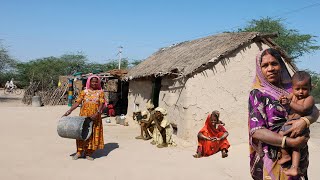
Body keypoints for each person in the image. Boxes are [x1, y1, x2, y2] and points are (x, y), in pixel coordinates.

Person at [248, 48, 319, 179]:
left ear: (281, 65)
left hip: (299, 155)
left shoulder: (293, 88)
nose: (270, 68)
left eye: (274, 63)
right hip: (275, 155)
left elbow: (313, 110)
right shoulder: (257, 94)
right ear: (259, 69)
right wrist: (289, 142)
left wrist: (304, 121)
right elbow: (256, 130)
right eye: (265, 65)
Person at [277, 71, 315, 176]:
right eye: (297, 89)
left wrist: (290, 103)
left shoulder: (309, 99)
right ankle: (291, 163)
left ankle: (289, 161)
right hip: (290, 123)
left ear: (310, 88)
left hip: (300, 126)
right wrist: (283, 100)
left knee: (291, 143)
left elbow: (304, 109)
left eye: (305, 88)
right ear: (293, 88)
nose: (301, 92)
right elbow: (285, 101)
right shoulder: (292, 95)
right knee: (291, 144)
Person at [63, 75, 105, 161]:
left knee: (92, 133)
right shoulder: (84, 92)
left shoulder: (100, 92)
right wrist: (69, 111)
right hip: (84, 115)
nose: (94, 83)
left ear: (98, 82)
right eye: (92, 81)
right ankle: (79, 152)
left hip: (95, 116)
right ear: (89, 81)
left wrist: (97, 113)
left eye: (96, 81)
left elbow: (101, 104)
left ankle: (88, 153)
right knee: (81, 133)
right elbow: (77, 102)